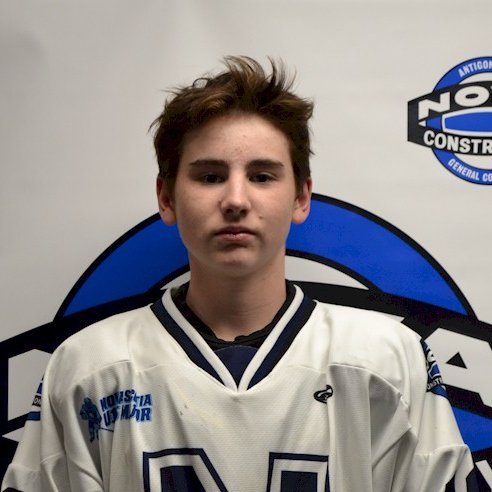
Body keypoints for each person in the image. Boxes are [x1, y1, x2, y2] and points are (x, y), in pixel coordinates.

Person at [2, 56, 476, 491]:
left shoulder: (387, 361)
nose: (235, 199)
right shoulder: (89, 366)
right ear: (166, 197)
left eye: (262, 176)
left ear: (301, 197)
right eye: (209, 176)